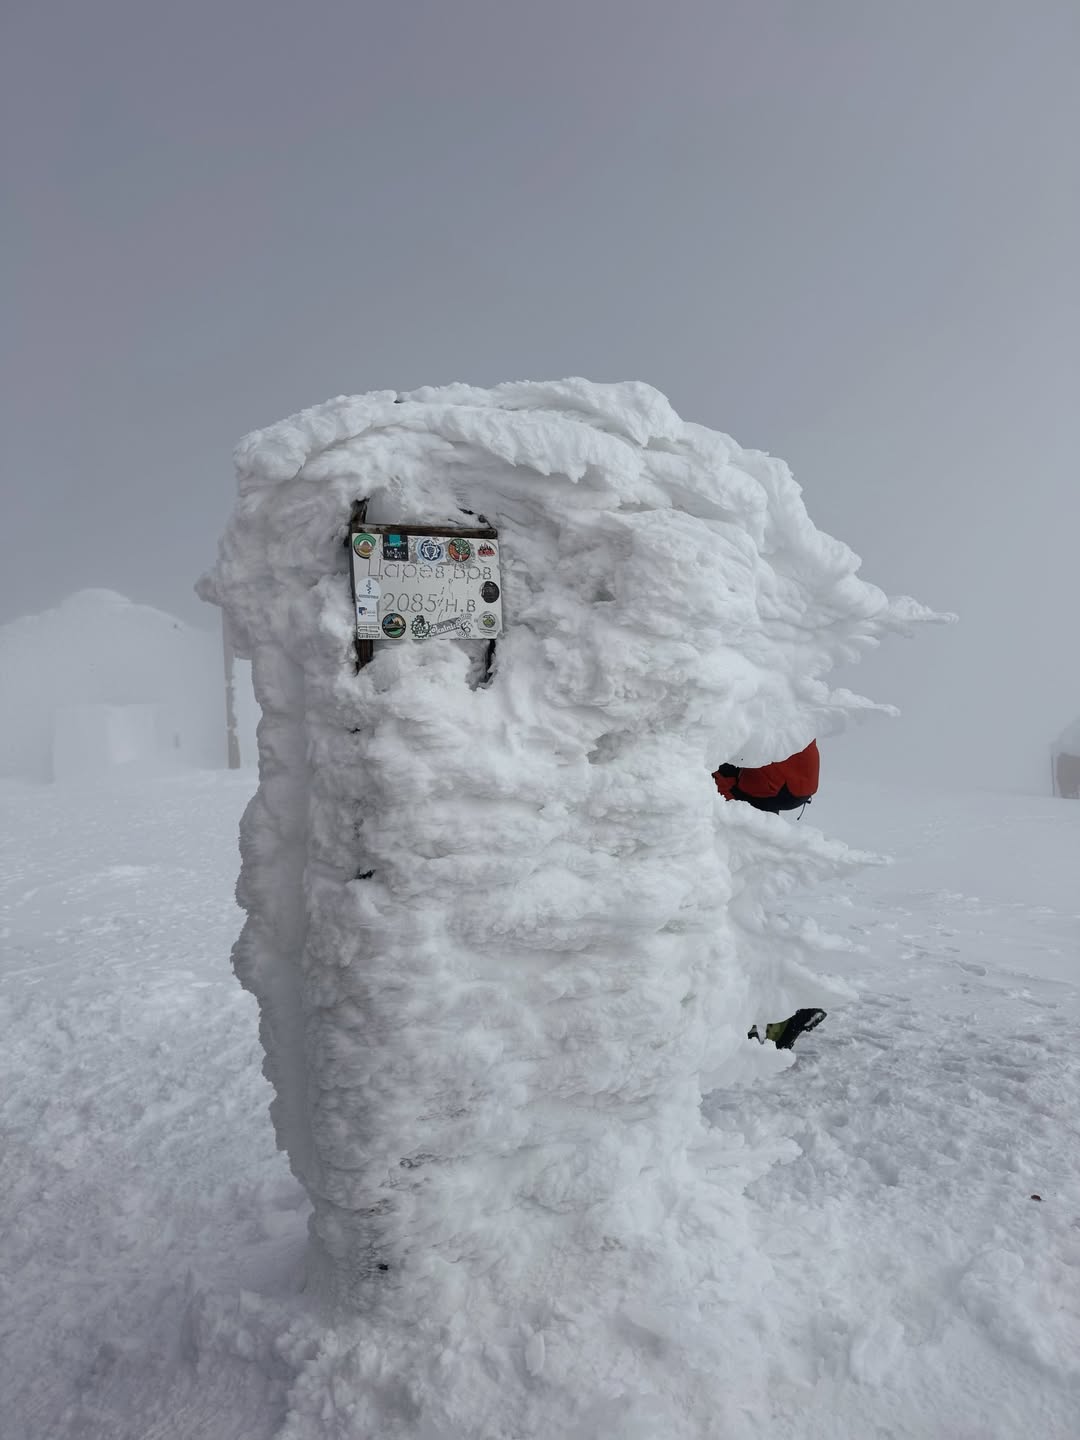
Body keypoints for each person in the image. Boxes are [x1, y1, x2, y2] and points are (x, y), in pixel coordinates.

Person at [713, 740, 825, 1049]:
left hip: (753, 794)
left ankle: (756, 1026)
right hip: (771, 791)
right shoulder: (784, 715)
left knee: (728, 923)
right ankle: (780, 1010)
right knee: (743, 915)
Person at [712, 738, 820, 813]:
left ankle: (731, 817)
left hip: (783, 788)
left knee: (720, 770)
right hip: (803, 784)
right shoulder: (796, 717)